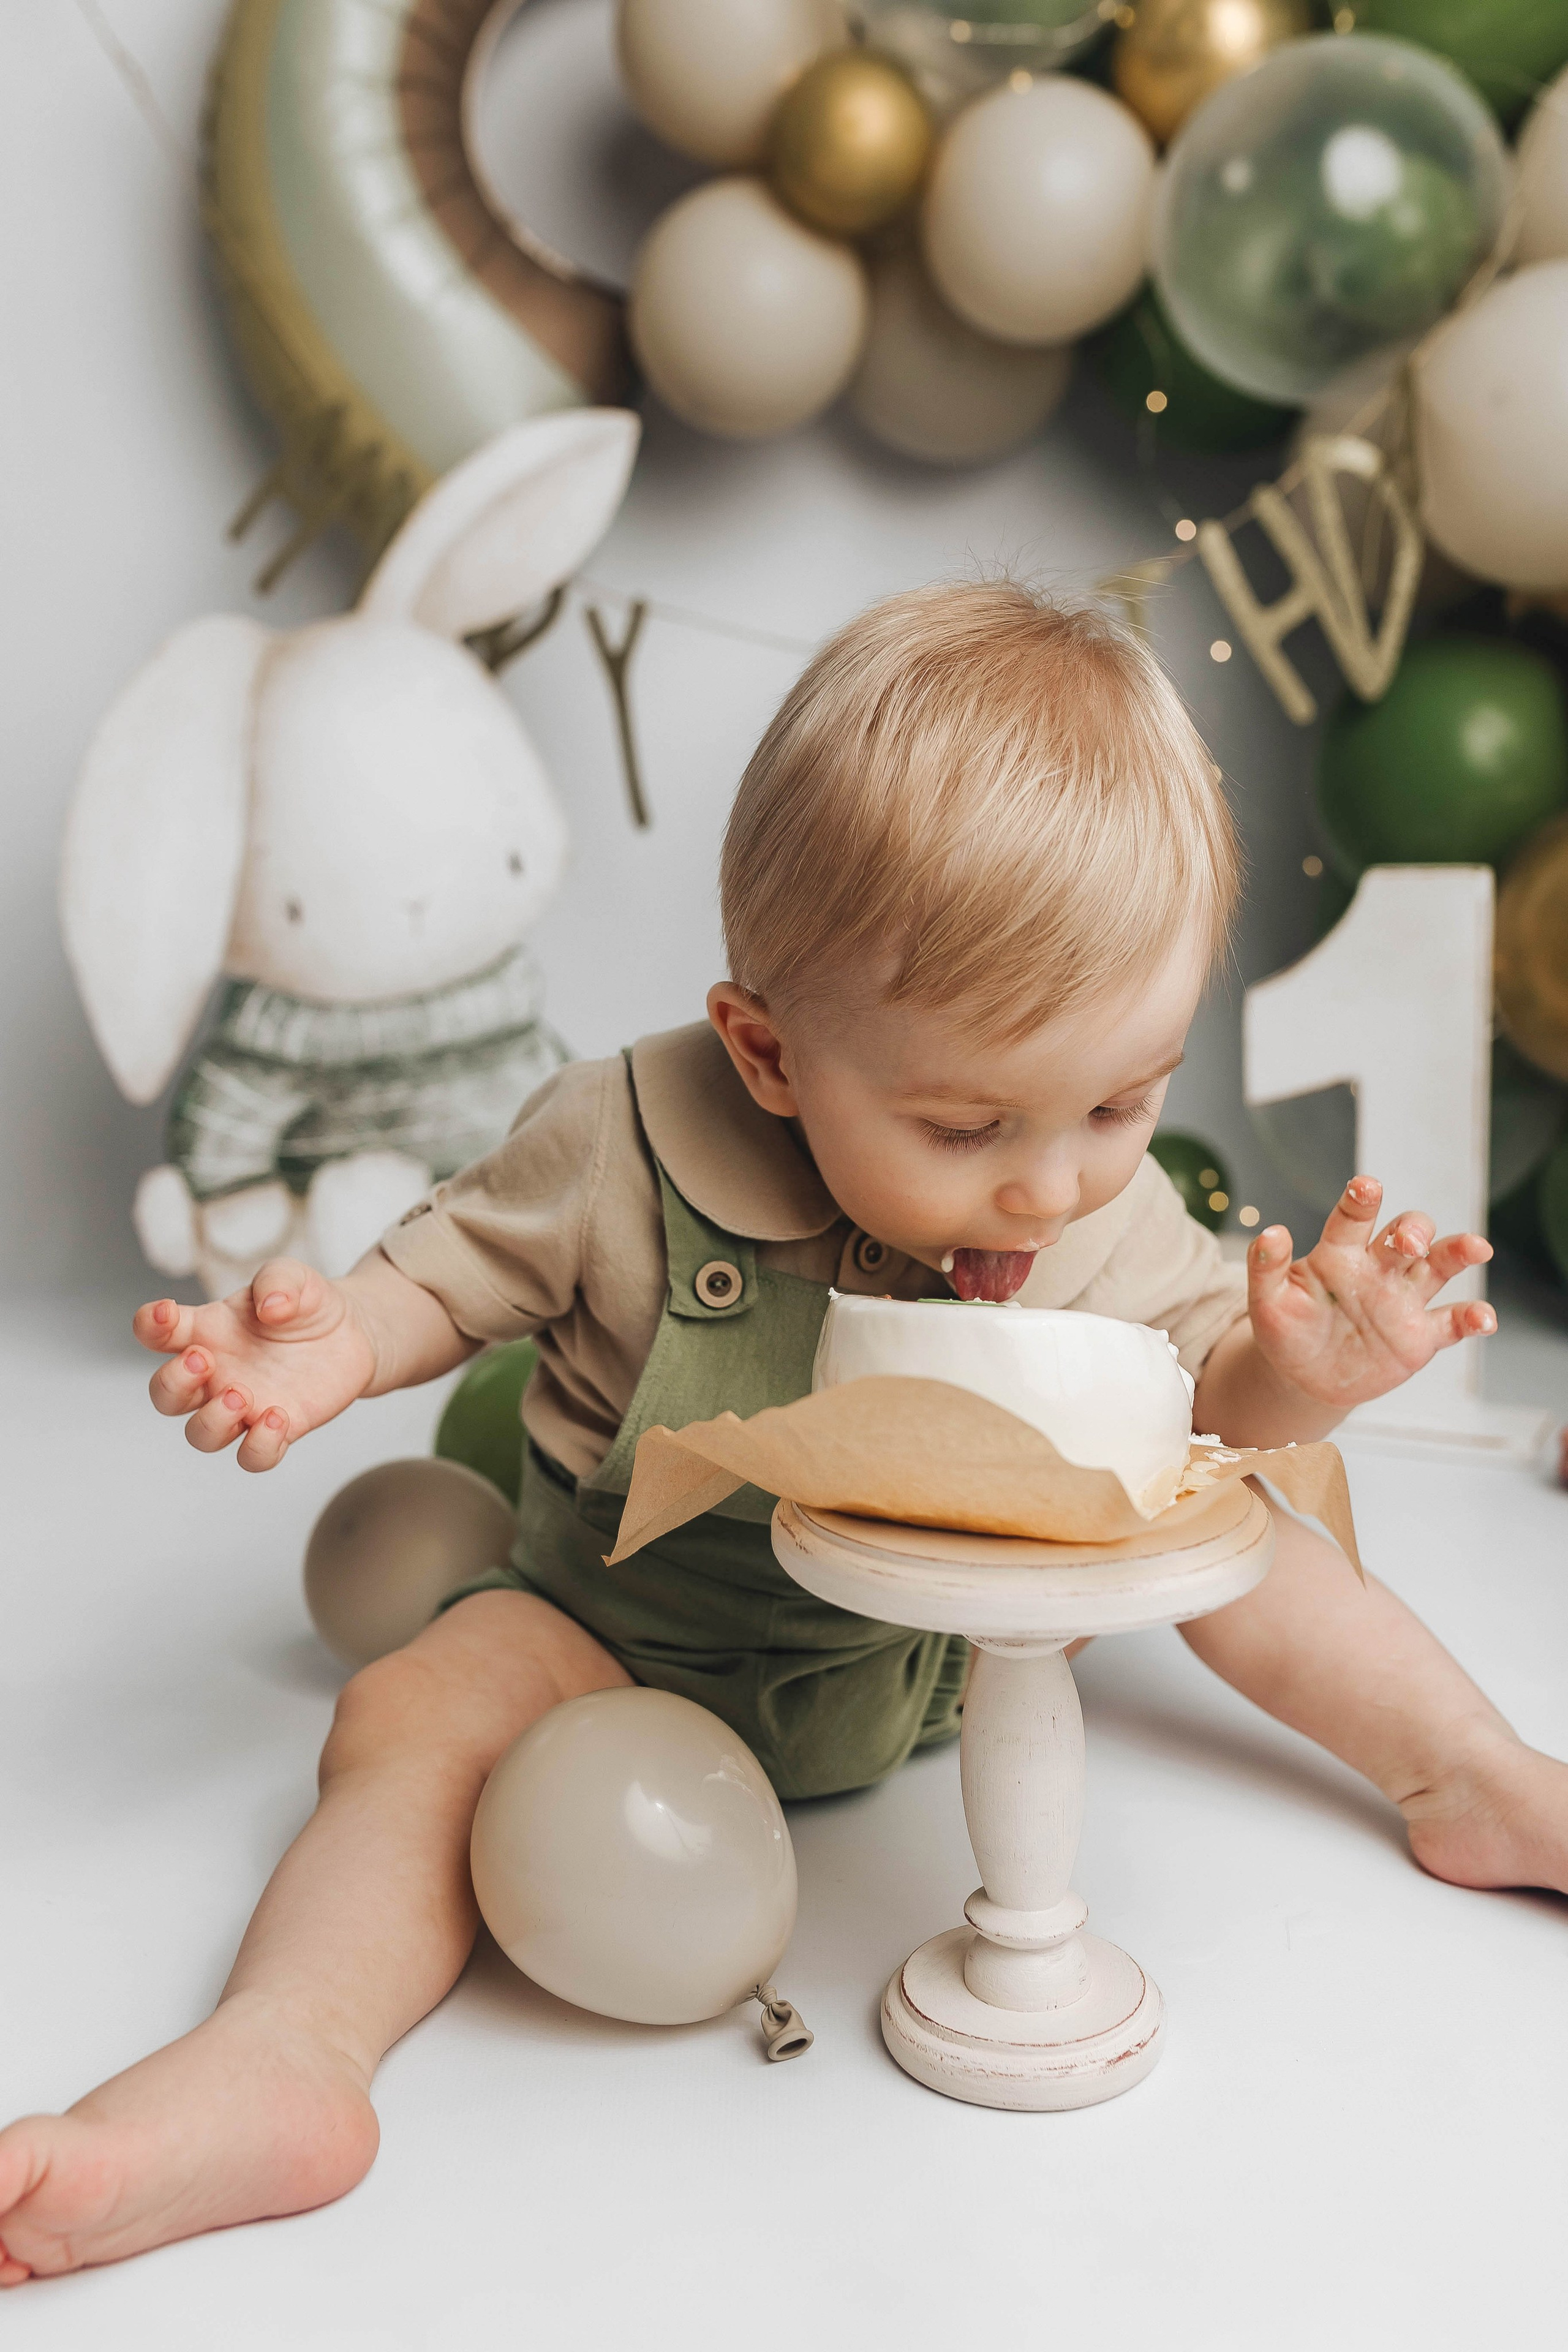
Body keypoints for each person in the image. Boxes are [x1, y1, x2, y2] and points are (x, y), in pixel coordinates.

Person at [4, 583, 1564, 2285]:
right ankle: (287, 2053)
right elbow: (448, 1273)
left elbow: (1205, 1400)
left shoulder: (1093, 1217)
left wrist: (1303, 1376)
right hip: (624, 1639)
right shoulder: (617, 1137)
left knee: (1246, 1533)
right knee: (414, 1705)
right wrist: (326, 1350)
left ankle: (1478, 1782)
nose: (1050, 1182)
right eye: (967, 1123)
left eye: (1124, 1102)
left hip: (953, 1651)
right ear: (766, 1051)